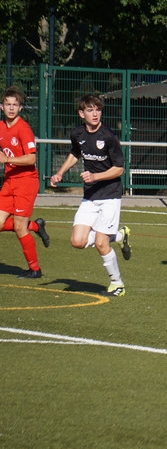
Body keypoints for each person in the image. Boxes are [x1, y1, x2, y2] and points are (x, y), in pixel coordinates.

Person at [50, 94, 132, 296]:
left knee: (102, 243)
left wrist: (95, 176)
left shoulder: (109, 137)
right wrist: (60, 173)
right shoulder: (77, 134)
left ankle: (117, 284)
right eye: (90, 110)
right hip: (90, 196)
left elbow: (119, 169)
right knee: (77, 241)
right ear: (81, 114)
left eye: (98, 109)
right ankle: (119, 235)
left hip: (110, 196)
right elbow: (75, 153)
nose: (95, 114)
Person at [0, 86, 49, 277]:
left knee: (20, 226)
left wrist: (7, 159)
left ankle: (35, 269)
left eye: (15, 105)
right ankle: (35, 226)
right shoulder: (1, 126)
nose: (11, 108)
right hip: (9, 182)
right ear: (2, 106)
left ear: (20, 107)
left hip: (26, 182)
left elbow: (31, 158)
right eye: (8, 104)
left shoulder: (23, 129)